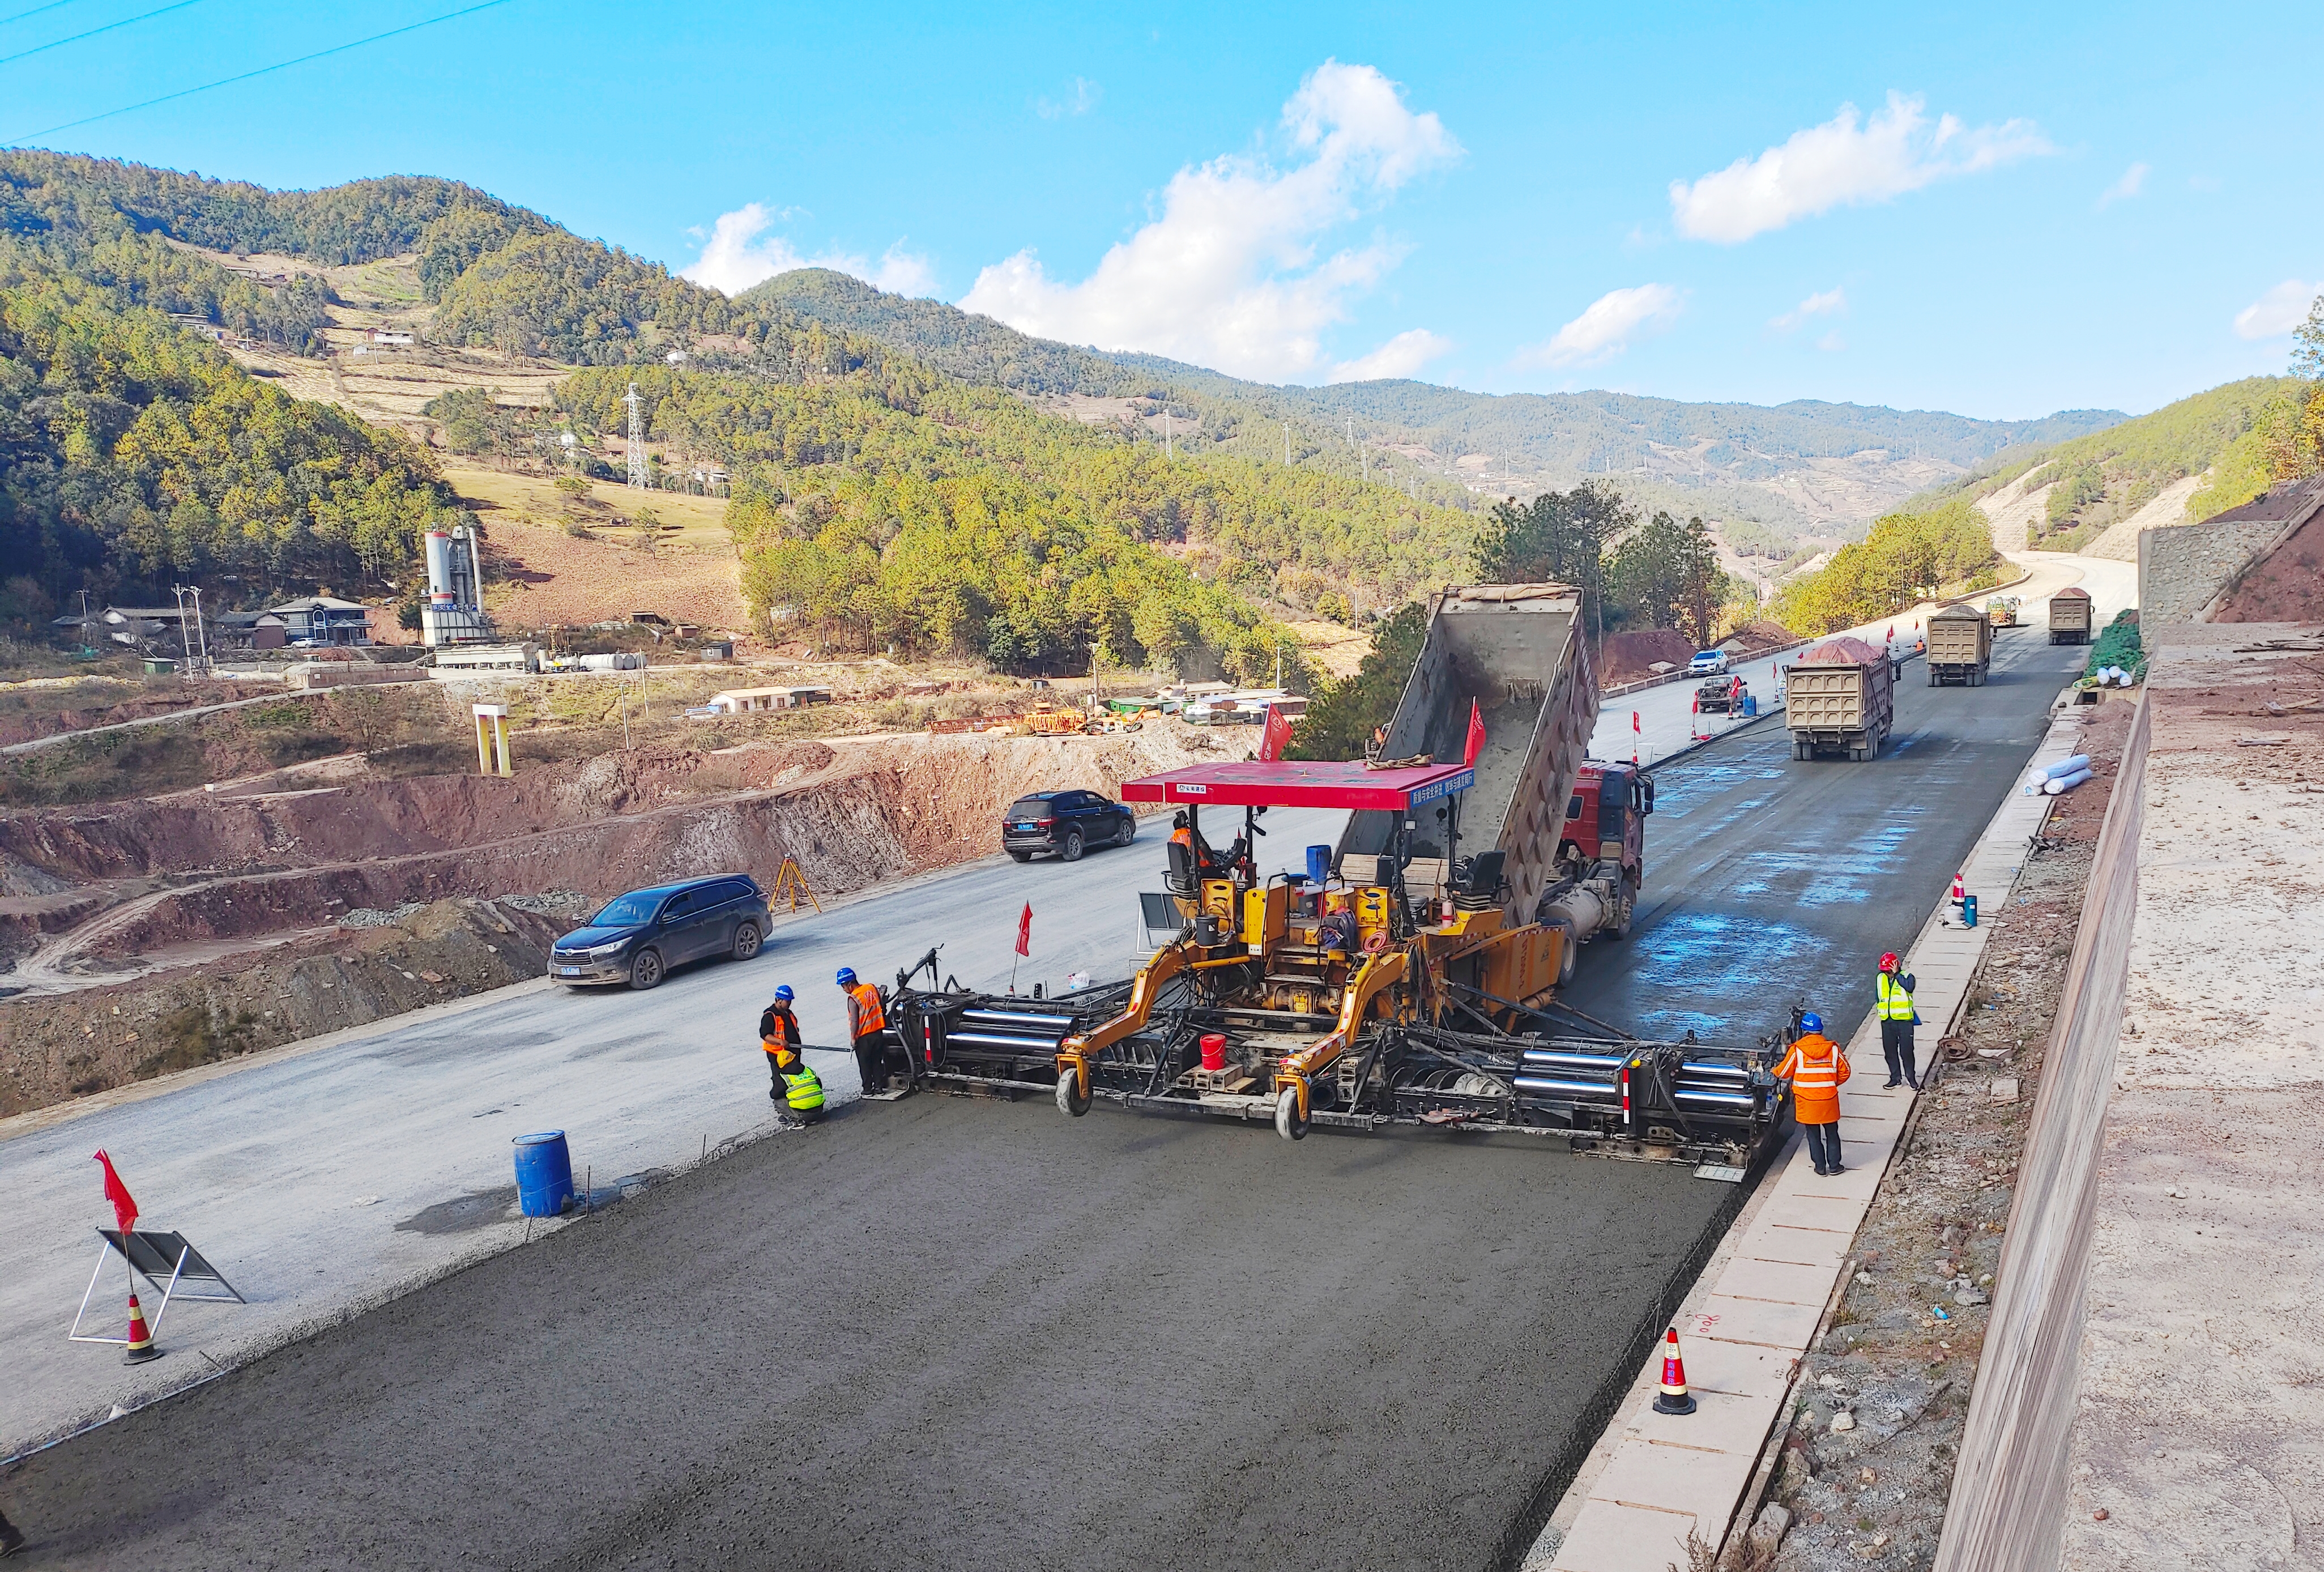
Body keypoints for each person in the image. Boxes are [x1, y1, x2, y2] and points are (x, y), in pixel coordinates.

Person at [1775, 1011, 1851, 1177]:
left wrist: (1772, 1071)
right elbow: (1846, 1072)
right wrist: (1831, 1083)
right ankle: (1835, 1166)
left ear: (1804, 1031)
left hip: (1807, 1102)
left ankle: (1820, 1167)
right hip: (1828, 1100)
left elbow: (1784, 1072)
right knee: (1832, 1133)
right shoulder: (1833, 1049)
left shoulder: (1797, 1051)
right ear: (1821, 1031)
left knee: (1813, 1134)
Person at [839, 967, 892, 1095]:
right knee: (877, 1062)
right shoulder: (871, 988)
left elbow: (854, 1021)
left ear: (850, 984)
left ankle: (868, 1089)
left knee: (865, 1064)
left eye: (843, 986)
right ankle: (879, 1088)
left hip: (864, 1036)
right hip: (878, 1031)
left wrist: (853, 1038)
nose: (843, 989)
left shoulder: (853, 998)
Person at [1875, 952, 1921, 1090]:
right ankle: (1895, 1078)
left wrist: (1897, 974)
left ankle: (1911, 1078)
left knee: (1906, 1052)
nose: (1886, 973)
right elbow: (1878, 996)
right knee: (1890, 1052)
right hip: (1887, 1021)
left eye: (1888, 970)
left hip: (1904, 1022)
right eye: (1885, 971)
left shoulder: (1907, 977)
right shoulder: (1880, 978)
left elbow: (1909, 987)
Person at [759, 985, 803, 1104]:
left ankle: (796, 1103)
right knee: (781, 1082)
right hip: (778, 1056)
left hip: (792, 1053)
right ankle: (784, 1107)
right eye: (788, 1001)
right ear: (779, 1000)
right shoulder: (770, 1015)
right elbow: (765, 1035)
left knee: (794, 1080)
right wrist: (780, 1041)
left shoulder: (788, 1013)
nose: (790, 1004)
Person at [770, 1041, 825, 1128]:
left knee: (778, 1102)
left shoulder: (784, 1077)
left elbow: (774, 1094)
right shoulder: (807, 1070)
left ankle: (797, 1122)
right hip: (819, 1111)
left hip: (805, 1115)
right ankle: (814, 1118)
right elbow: (819, 1085)